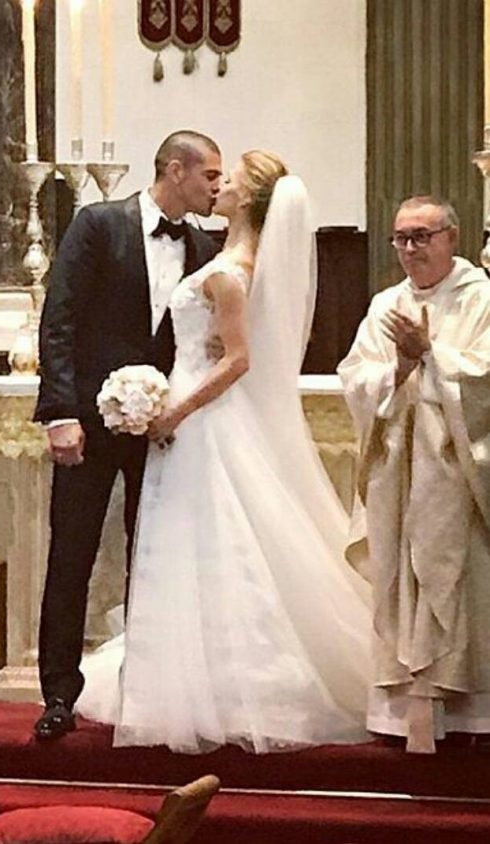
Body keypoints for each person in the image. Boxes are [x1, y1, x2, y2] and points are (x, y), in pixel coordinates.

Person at [75, 152, 374, 754]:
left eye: (229, 179)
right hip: (193, 408)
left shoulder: (230, 272)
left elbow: (238, 360)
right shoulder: (230, 260)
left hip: (200, 418)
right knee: (194, 543)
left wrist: (175, 411)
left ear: (251, 199)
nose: (220, 186)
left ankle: (227, 688)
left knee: (206, 541)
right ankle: (186, 678)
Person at [33, 131, 223, 740]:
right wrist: (61, 413)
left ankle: (145, 691)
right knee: (72, 556)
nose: (217, 187)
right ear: (176, 170)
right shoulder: (99, 224)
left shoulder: (204, 246)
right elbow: (59, 318)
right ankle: (58, 694)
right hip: (89, 423)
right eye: (209, 175)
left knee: (154, 558)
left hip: (162, 431)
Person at [338, 196, 490, 753]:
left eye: (422, 236)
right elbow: (356, 374)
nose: (410, 249)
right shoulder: (386, 304)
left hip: (455, 471)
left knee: (457, 582)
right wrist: (400, 367)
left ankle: (471, 717)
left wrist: (432, 355)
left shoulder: (482, 298)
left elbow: (485, 377)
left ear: (452, 236)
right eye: (401, 238)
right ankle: (403, 713)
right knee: (400, 584)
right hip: (398, 470)